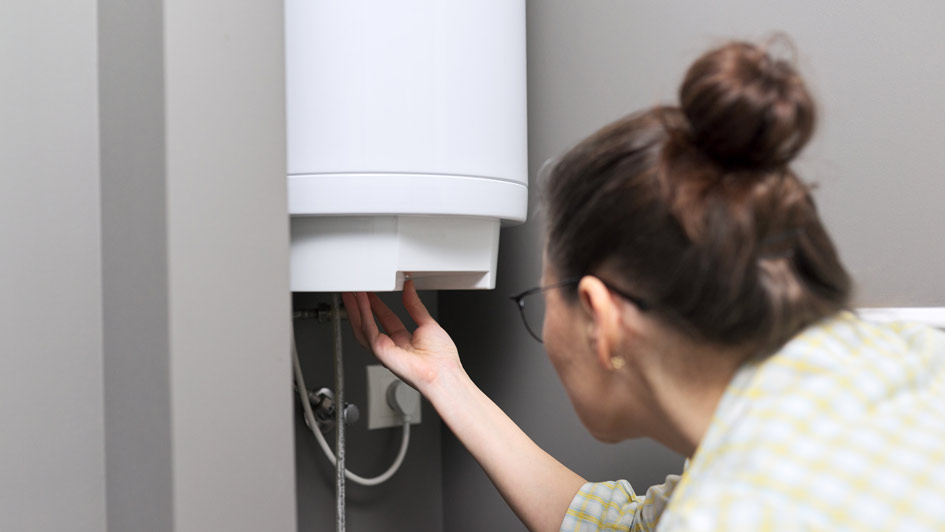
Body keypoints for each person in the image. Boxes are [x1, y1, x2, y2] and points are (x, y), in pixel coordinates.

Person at [341, 39, 945, 531]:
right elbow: (631, 527)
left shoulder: (733, 512)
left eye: (541, 299)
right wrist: (446, 381)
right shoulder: (887, 360)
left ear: (600, 319)